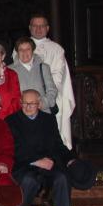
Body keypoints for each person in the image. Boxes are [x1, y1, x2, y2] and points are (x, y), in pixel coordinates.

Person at [0, 90, 77, 206]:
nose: (28, 107)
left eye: (32, 104)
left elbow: (57, 145)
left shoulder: (49, 120)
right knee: (29, 180)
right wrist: (36, 161)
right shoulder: (11, 121)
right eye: (25, 103)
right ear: (20, 103)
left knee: (62, 178)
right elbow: (14, 148)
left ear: (39, 104)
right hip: (25, 165)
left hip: (47, 164)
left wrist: (70, 159)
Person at [23, 14, 75, 148]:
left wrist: (43, 100)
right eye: (35, 26)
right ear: (30, 28)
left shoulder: (56, 49)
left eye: (42, 26)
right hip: (26, 101)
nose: (38, 29)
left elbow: (58, 76)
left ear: (47, 28)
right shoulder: (21, 46)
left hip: (49, 99)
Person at [9, 37, 58, 113]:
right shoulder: (10, 70)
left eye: (28, 49)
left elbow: (52, 91)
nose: (24, 52)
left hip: (43, 113)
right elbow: (9, 95)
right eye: (21, 50)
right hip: (21, 114)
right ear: (17, 52)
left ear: (33, 50)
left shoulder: (43, 67)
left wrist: (42, 103)